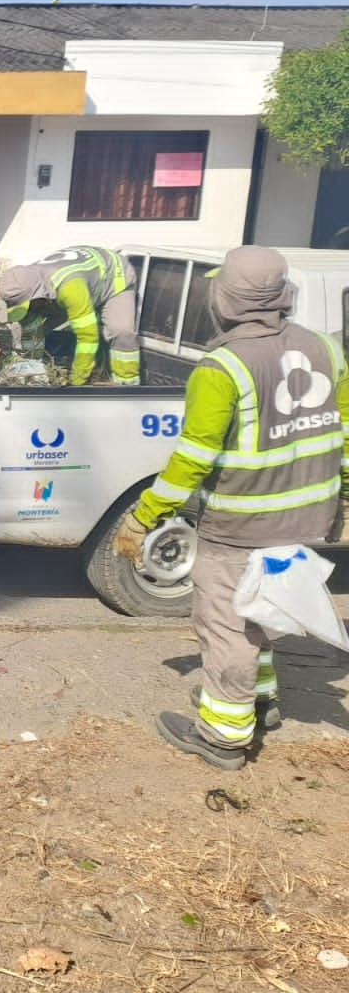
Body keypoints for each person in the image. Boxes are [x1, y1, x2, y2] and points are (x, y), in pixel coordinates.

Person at [113, 246, 349, 769]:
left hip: (242, 523)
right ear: (283, 297)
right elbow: (344, 431)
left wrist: (144, 516)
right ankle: (258, 702)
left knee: (226, 628)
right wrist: (340, 497)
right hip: (306, 517)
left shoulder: (223, 368)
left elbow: (192, 461)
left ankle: (222, 735)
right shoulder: (326, 350)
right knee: (259, 612)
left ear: (223, 300)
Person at [0, 246, 141, 385]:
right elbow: (30, 326)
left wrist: (77, 380)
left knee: (121, 331)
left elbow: (88, 338)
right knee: (32, 318)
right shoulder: (25, 278)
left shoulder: (70, 288)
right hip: (78, 282)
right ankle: (32, 364)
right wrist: (30, 368)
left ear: (36, 293)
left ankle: (127, 383)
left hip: (114, 277)